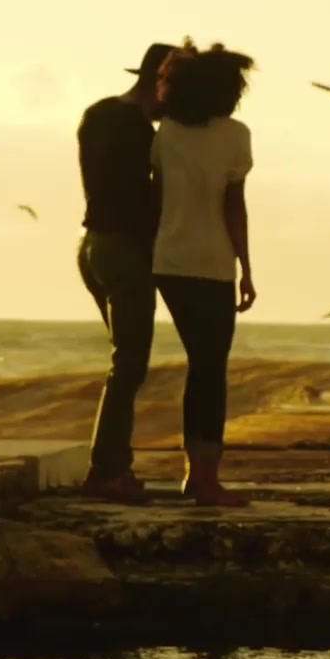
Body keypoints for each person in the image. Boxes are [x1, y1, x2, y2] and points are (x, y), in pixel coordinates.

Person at [148, 39, 258, 507]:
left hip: (168, 261)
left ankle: (198, 474)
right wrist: (246, 267)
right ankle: (203, 478)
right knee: (210, 370)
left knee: (202, 365)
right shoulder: (235, 135)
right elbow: (234, 205)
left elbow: (155, 196)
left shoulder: (166, 133)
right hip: (212, 263)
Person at [76, 42, 178, 502]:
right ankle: (108, 471)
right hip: (123, 248)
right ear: (160, 82)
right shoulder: (139, 131)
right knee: (129, 364)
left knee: (124, 362)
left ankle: (113, 465)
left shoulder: (98, 113)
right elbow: (141, 199)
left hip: (92, 245)